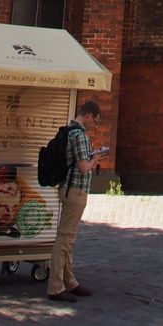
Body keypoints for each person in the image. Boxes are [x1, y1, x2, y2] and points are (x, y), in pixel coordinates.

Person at [47, 99, 108, 302]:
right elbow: (83, 167)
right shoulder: (80, 135)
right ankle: (55, 287)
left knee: (69, 238)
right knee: (65, 238)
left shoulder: (69, 131)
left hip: (68, 189)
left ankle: (69, 281)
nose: (94, 125)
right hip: (75, 191)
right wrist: (95, 159)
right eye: (95, 121)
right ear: (88, 115)